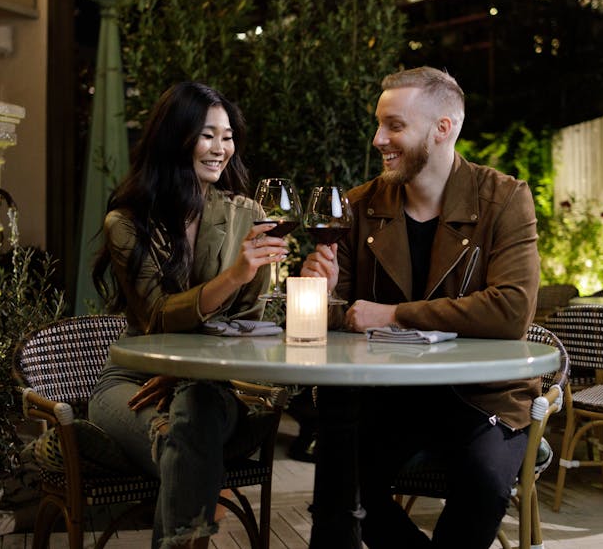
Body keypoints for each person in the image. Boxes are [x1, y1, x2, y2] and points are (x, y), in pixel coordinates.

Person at [302, 66, 541, 549]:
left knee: (484, 482)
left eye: (394, 125)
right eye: (379, 124)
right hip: (390, 394)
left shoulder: (504, 199)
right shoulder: (359, 205)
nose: (377, 139)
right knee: (340, 479)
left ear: (443, 129)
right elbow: (337, 316)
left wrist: (392, 315)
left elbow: (512, 310)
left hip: (483, 394)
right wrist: (317, 294)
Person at [89, 81, 287, 549]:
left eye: (228, 135)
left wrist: (184, 375)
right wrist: (234, 273)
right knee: (189, 437)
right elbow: (157, 316)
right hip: (132, 381)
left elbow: (248, 325)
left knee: (188, 424)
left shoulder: (246, 214)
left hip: (211, 383)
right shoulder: (126, 222)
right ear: (175, 137)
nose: (221, 148)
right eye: (207, 135)